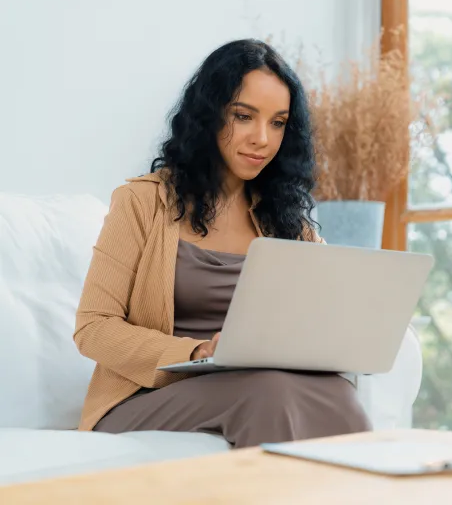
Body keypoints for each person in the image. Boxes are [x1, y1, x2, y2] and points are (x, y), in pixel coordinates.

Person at [73, 39, 371, 448]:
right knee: (268, 391)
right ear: (209, 115)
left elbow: (321, 316)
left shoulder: (289, 222)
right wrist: (196, 352)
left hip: (254, 383)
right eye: (244, 116)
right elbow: (94, 329)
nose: (262, 138)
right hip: (146, 396)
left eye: (278, 122)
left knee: (338, 394)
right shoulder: (142, 202)